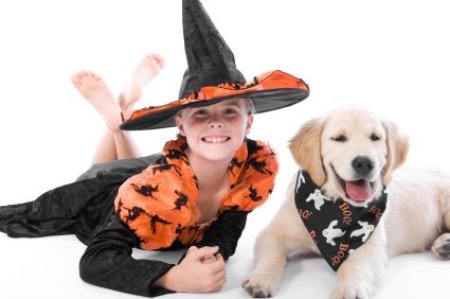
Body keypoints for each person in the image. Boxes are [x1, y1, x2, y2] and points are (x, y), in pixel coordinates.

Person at [0, 0, 309, 297]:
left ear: (249, 121)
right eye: (201, 113)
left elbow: (228, 228)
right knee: (91, 176)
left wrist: (211, 254)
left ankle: (122, 113)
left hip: (151, 169)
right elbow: (95, 261)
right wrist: (171, 277)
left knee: (129, 165)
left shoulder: (250, 172)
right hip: (107, 197)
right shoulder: (148, 190)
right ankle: (118, 119)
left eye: (230, 111)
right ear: (181, 125)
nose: (216, 122)